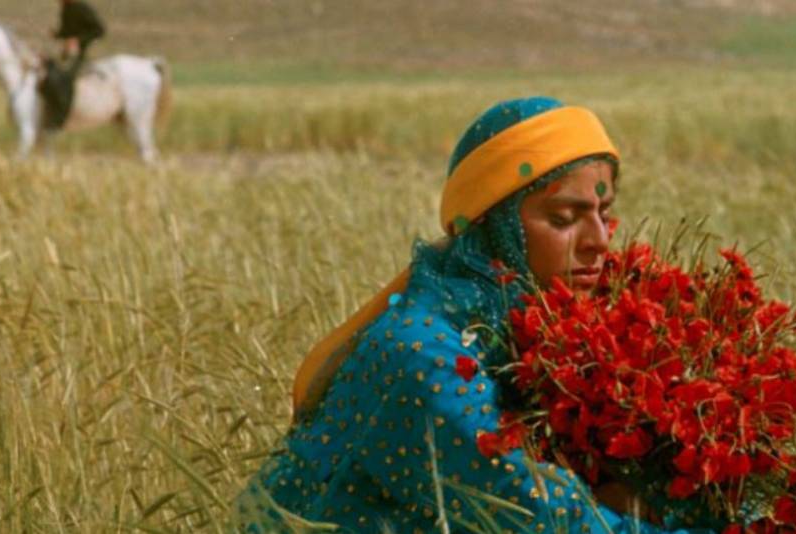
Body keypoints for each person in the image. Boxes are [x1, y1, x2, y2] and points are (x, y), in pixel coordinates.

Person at [236, 97, 715, 533]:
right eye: (564, 219)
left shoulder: (539, 334)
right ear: (495, 226)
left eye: (603, 212)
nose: (598, 241)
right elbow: (543, 519)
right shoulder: (424, 353)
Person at [38, 0, 105, 131]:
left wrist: (78, 40)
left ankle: (60, 118)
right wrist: (57, 34)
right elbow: (67, 32)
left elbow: (99, 30)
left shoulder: (81, 8)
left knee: (63, 79)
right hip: (66, 52)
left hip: (81, 53)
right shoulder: (66, 8)